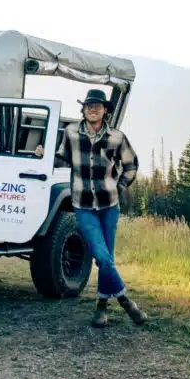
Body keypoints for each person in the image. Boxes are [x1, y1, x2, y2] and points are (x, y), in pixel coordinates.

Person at [35, 88, 147, 328]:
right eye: (88, 105)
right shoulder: (72, 133)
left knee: (107, 259)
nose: (92, 109)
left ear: (105, 110)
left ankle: (101, 309)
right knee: (102, 256)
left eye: (97, 105)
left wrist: (120, 186)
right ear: (83, 109)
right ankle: (127, 303)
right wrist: (44, 155)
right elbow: (61, 158)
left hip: (109, 206)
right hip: (83, 206)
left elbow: (131, 165)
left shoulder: (117, 137)